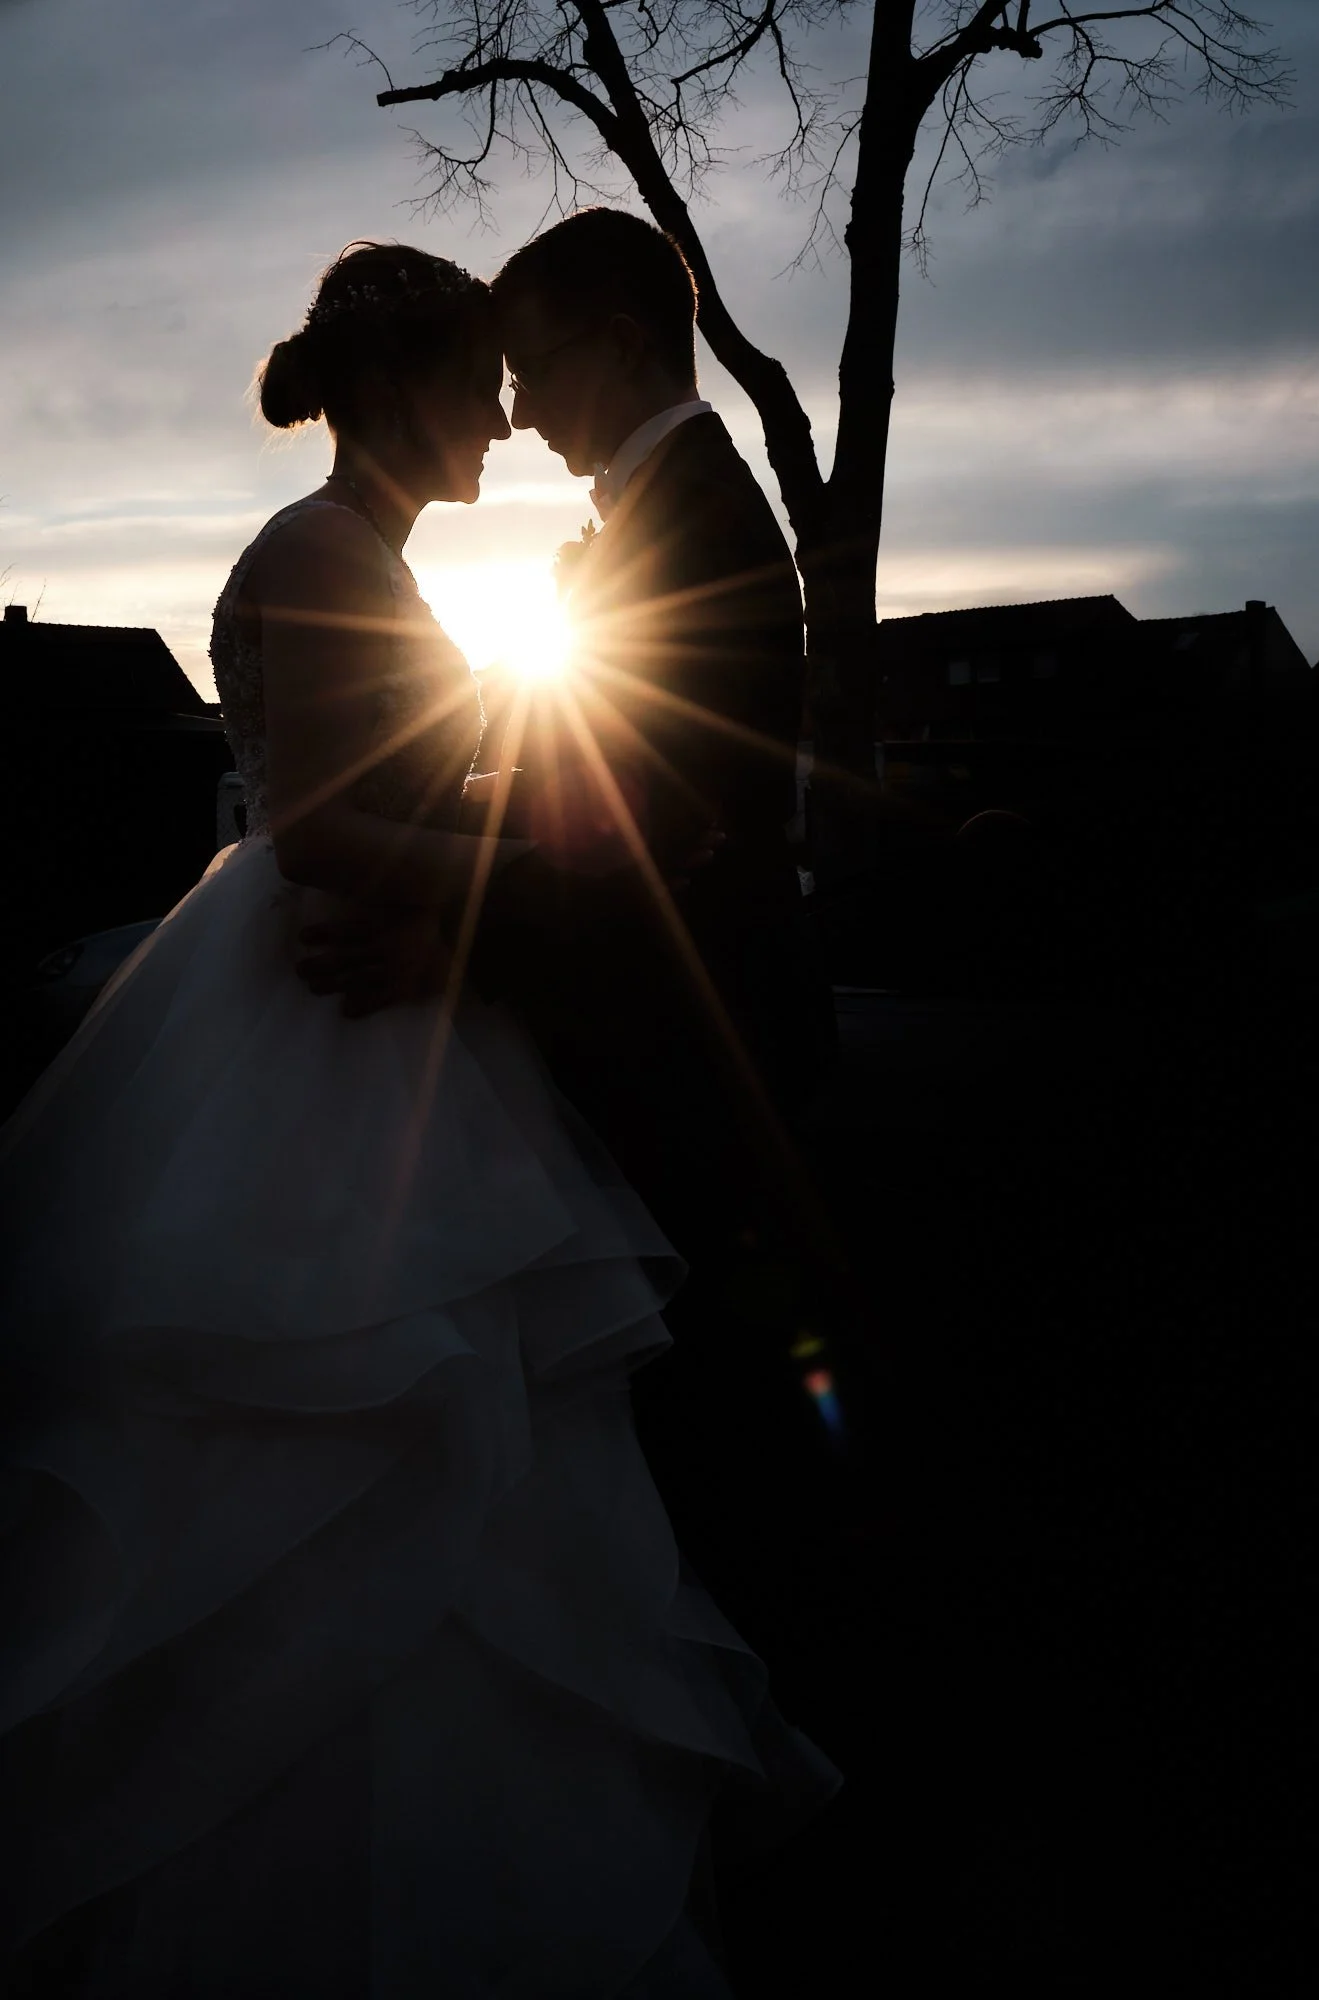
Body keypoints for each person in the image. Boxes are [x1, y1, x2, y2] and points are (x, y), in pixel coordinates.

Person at [0, 241, 841, 1999]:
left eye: (520, 373)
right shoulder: (318, 558)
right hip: (323, 1037)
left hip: (414, 1019)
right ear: (401, 392)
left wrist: (503, 866)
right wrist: (525, 866)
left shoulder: (373, 559)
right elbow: (317, 829)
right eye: (481, 379)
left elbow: (438, 796)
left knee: (487, 1429)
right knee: (342, 1432)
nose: (505, 417)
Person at [295, 210, 853, 1730]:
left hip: (697, 1063)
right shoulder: (657, 512)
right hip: (652, 1049)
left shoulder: (702, 527)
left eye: (532, 365)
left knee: (719, 1438)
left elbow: (652, 847)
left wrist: (444, 930)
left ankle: (757, 1747)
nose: (520, 403)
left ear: (615, 336)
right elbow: (586, 806)